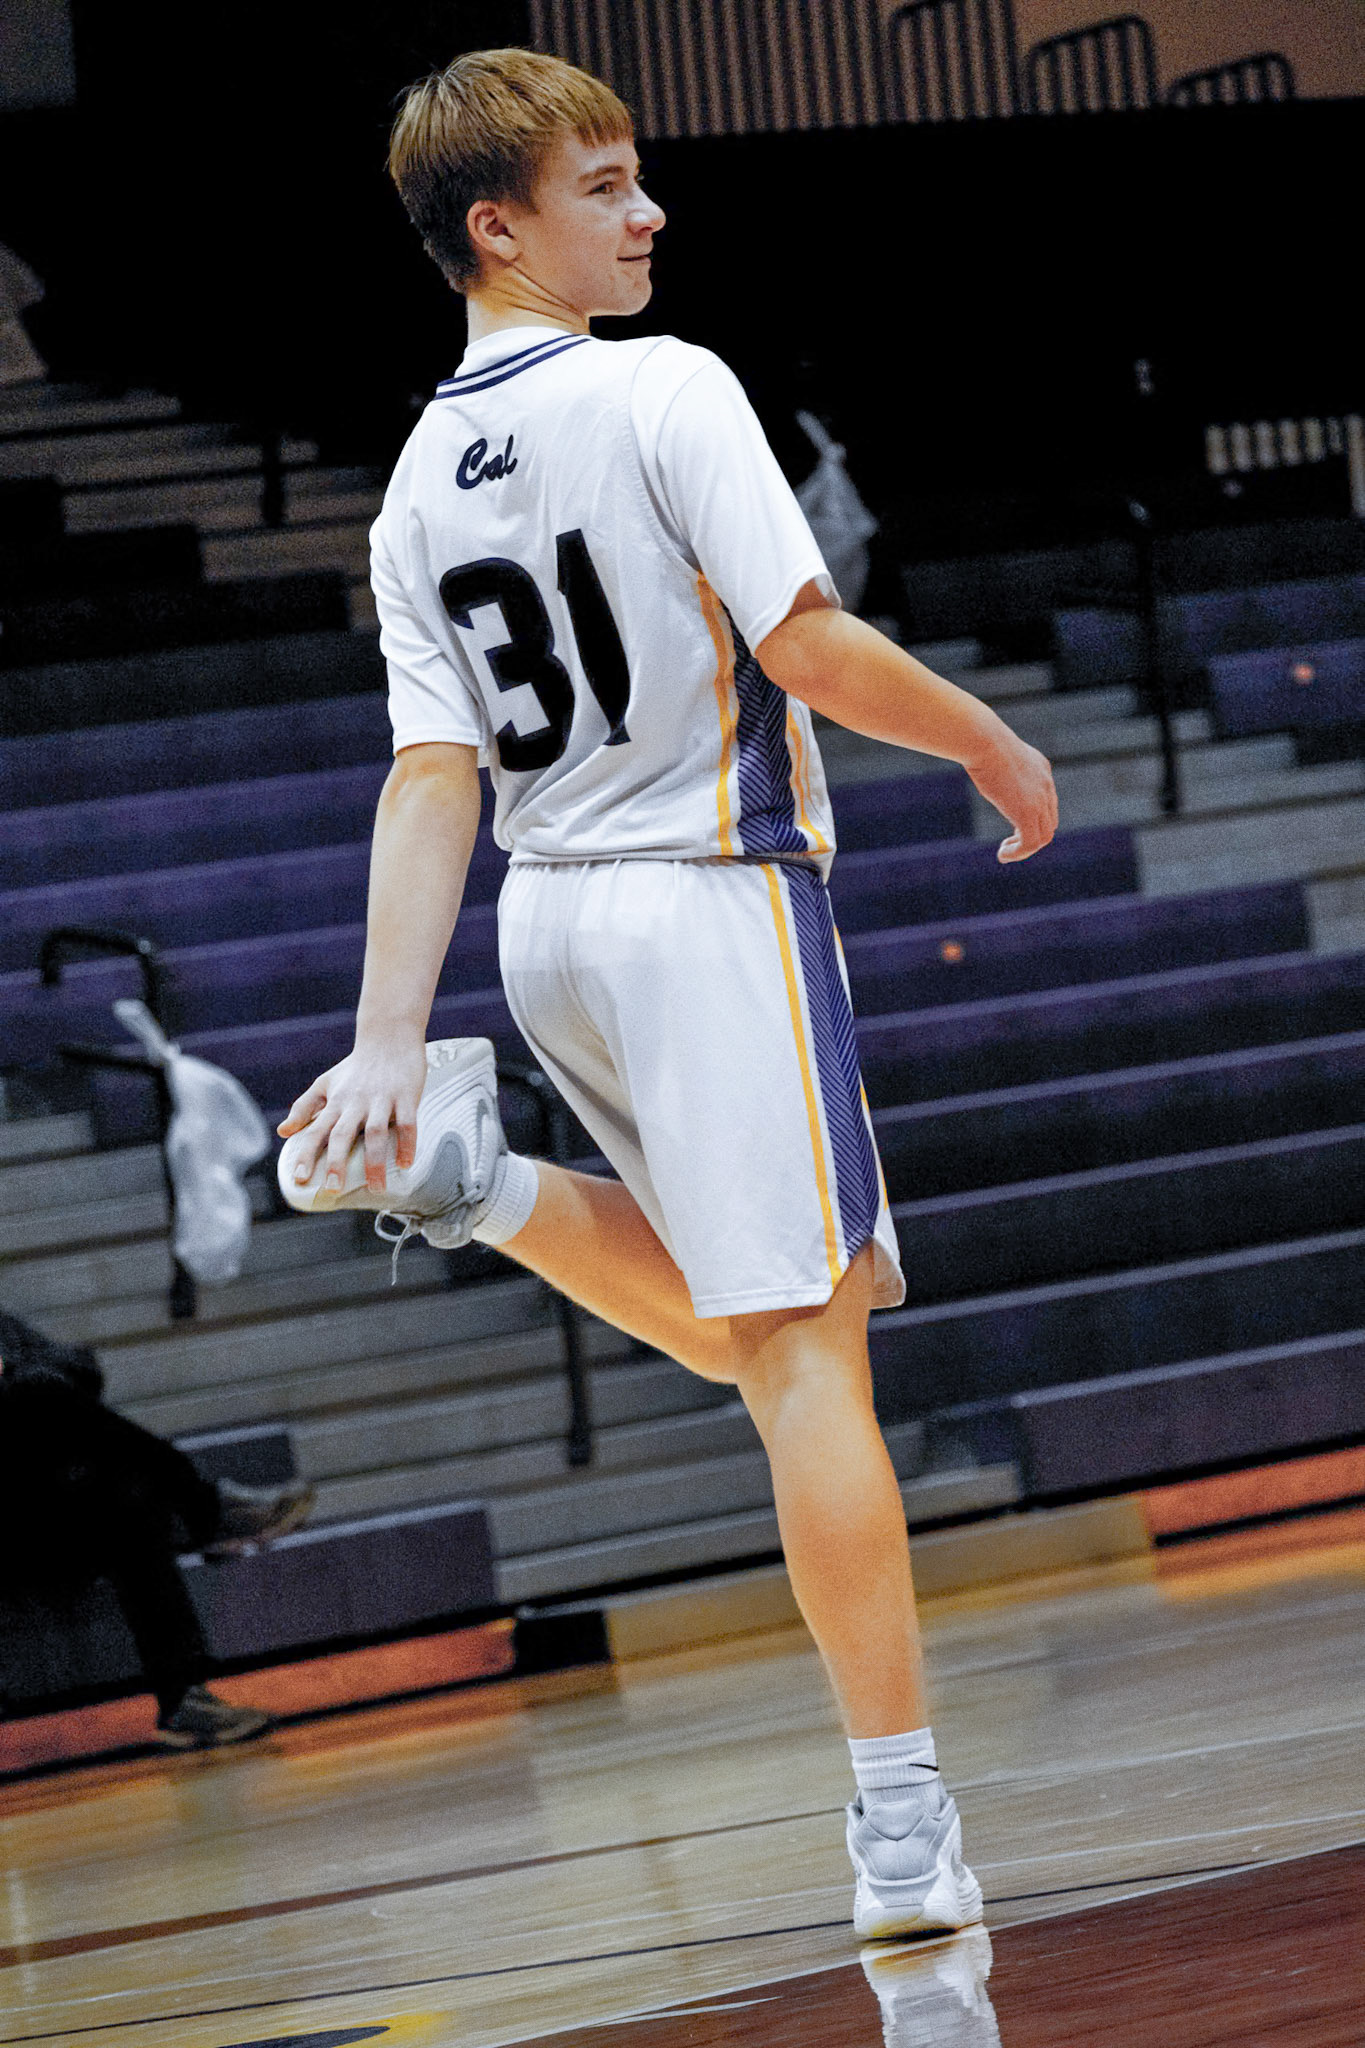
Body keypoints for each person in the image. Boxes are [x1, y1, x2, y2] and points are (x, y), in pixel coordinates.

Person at [277, 48, 1056, 1937]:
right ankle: (897, 1815)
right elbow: (806, 637)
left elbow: (429, 777)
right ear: (500, 227)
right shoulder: (663, 382)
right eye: (608, 185)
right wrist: (990, 746)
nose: (648, 213)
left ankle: (489, 1191)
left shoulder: (404, 481)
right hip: (709, 901)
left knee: (744, 1334)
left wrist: (397, 1032)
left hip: (550, 929)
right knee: (808, 1356)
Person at [0, 1309, 314, 1748]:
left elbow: (81, 1368)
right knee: (36, 1397)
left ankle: (184, 1699)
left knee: (132, 1504)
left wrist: (16, 1375)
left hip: (54, 1510)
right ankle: (210, 1511)